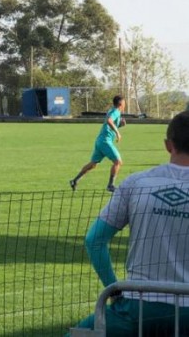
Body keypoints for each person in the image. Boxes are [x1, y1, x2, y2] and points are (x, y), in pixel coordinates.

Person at [70, 111, 189, 335]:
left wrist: (115, 292)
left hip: (137, 307)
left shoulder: (137, 183)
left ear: (168, 145)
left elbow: (94, 241)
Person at [70, 96, 125, 192]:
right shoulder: (116, 111)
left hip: (100, 140)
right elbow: (109, 121)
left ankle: (75, 180)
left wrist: (119, 125)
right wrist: (117, 132)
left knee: (92, 164)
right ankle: (110, 185)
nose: (125, 105)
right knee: (118, 162)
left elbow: (109, 123)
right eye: (124, 103)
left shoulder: (112, 110)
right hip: (105, 141)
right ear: (121, 104)